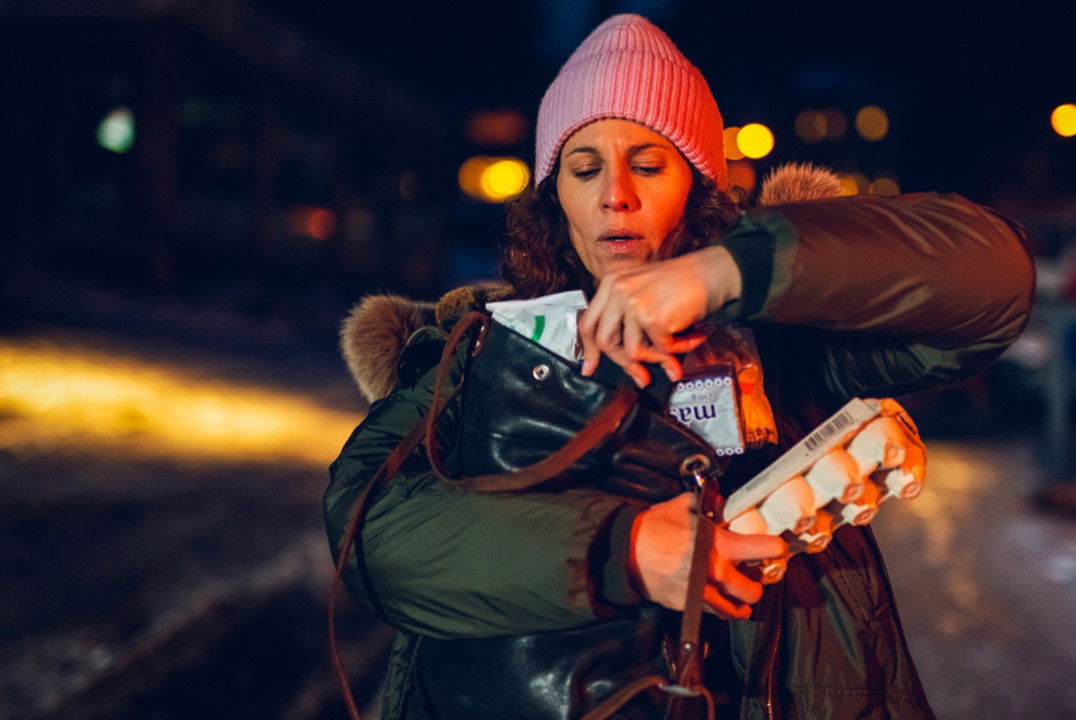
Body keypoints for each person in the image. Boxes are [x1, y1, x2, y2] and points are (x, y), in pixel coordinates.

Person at [326, 13, 1034, 720]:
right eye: (584, 167)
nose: (615, 195)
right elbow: (371, 533)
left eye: (647, 163)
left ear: (696, 184)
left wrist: (728, 273)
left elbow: (994, 282)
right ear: (554, 198)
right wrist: (623, 551)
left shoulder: (786, 336)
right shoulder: (481, 349)